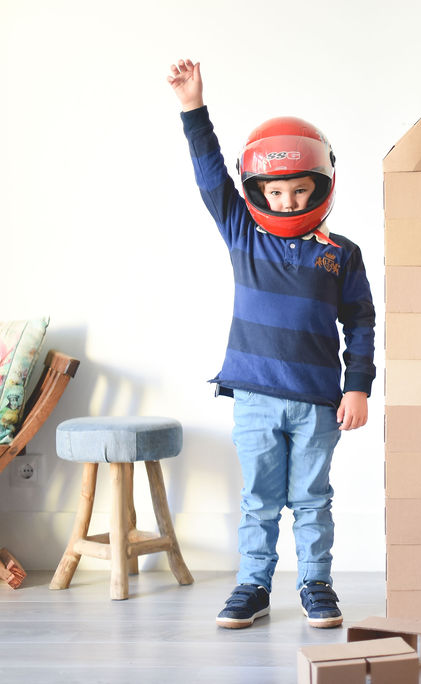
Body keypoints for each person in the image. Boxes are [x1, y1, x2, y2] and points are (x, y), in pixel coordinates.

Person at [166, 58, 375, 629]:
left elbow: (360, 324)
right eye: (276, 191)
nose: (287, 201)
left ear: (320, 187)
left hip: (317, 402)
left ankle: (316, 585)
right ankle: (252, 587)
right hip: (255, 398)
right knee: (259, 501)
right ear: (260, 191)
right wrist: (193, 108)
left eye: (299, 190)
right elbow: (212, 176)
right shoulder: (241, 234)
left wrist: (357, 390)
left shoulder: (341, 253)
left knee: (312, 500)